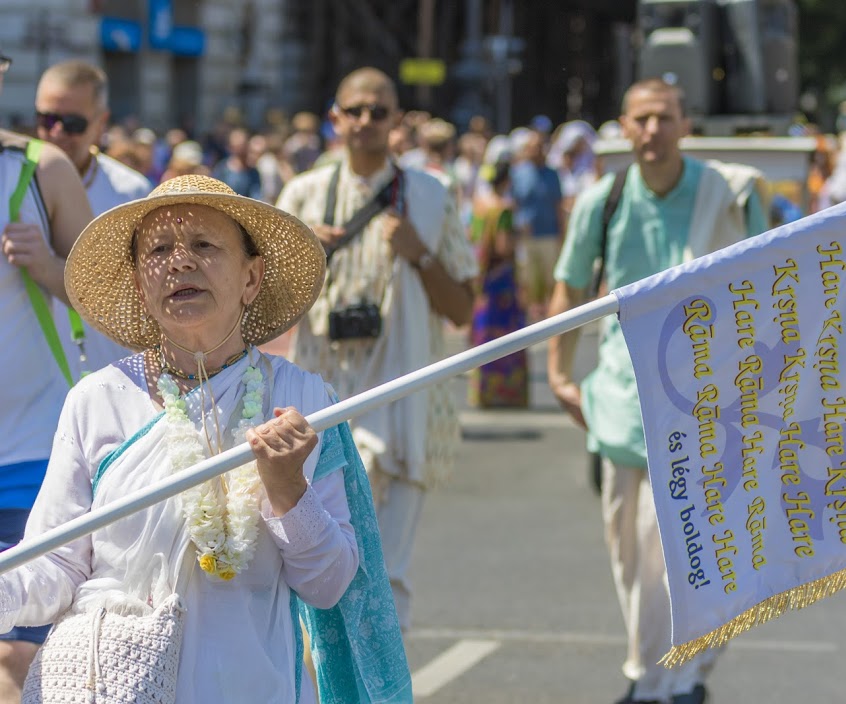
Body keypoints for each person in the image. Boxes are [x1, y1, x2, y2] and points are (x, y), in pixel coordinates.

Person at [0, 174, 411, 703]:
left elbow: (329, 585)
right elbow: (55, 564)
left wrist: (288, 489)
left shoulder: (304, 400)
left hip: (253, 687)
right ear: (139, 284)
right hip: (113, 684)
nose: (179, 263)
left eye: (203, 245)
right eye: (159, 251)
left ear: (251, 277)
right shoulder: (98, 399)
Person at [547, 77, 766, 704]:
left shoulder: (727, 193)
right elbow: (570, 287)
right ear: (623, 127)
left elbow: (765, 279)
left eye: (664, 117)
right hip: (625, 395)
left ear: (685, 124)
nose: (652, 130)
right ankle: (652, 672)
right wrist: (559, 374)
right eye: (641, 119)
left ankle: (678, 676)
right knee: (631, 550)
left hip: (708, 398)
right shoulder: (603, 200)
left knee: (686, 543)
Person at [275, 67, 477, 632]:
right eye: (355, 110)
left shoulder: (430, 195)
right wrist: (304, 258)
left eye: (378, 111)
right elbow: (264, 308)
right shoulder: (302, 195)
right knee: (314, 575)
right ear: (335, 118)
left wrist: (419, 254)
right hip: (320, 406)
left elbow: (463, 308)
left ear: (397, 122)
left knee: (388, 576)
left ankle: (385, 678)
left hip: (401, 405)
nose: (366, 121)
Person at [0, 50, 95, 700]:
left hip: (33, 452)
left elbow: (106, 295)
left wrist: (46, 266)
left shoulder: (41, 169)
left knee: (16, 657)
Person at [35, 60, 152, 377]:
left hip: (112, 373)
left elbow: (146, 294)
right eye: (47, 119)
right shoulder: (13, 185)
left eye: (73, 123)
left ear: (101, 124)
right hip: (35, 383)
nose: (57, 132)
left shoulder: (131, 192)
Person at [467, 158, 528, 408]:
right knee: (507, 334)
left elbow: (471, 236)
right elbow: (503, 246)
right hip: (501, 278)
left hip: (481, 277)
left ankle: (483, 391)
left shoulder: (479, 206)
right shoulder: (504, 209)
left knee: (484, 332)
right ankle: (506, 391)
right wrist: (518, 235)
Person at [510, 129, 564, 320]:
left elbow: (558, 205)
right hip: (526, 237)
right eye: (532, 148)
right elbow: (513, 203)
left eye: (539, 147)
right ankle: (531, 315)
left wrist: (562, 234)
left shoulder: (552, 174)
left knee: (550, 277)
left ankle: (551, 313)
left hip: (549, 233)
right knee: (529, 279)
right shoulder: (518, 173)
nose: (535, 151)